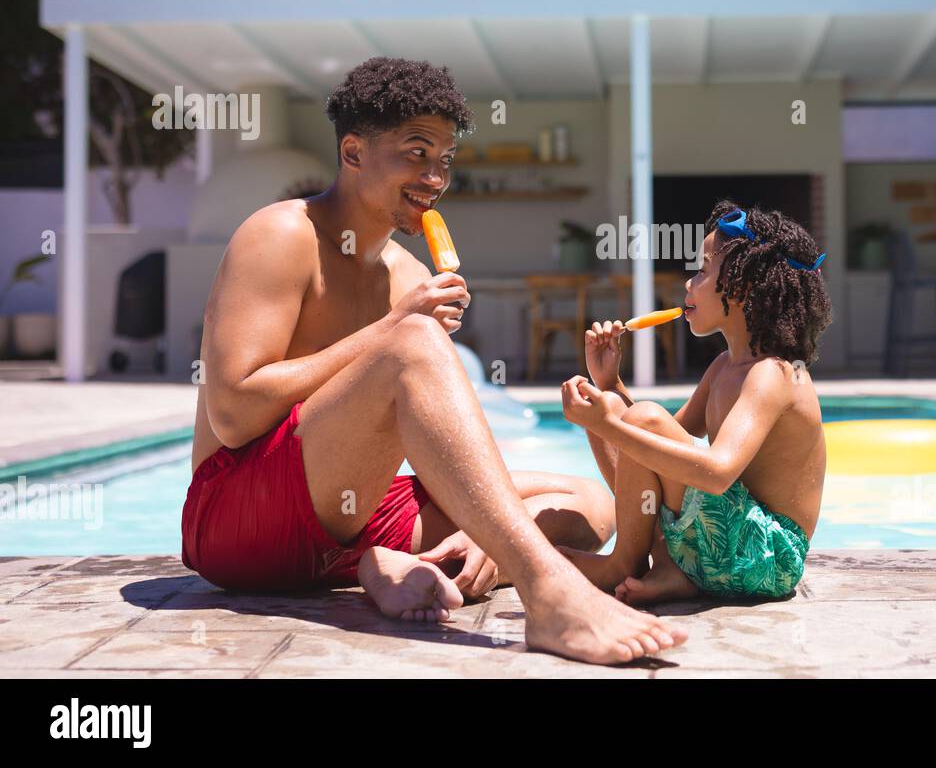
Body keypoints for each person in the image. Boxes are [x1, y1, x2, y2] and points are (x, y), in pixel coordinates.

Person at [182, 56, 686, 664]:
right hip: (240, 520)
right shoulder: (282, 235)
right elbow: (234, 412)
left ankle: (401, 566)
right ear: (352, 153)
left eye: (444, 159)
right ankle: (549, 594)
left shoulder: (409, 274)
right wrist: (398, 329)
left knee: (589, 504)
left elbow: (431, 438)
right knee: (414, 342)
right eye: (415, 153)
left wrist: (490, 535)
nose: (434, 177)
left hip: (351, 518)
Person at [560, 200, 831, 604]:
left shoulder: (771, 374)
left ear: (740, 289)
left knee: (639, 419)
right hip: (729, 542)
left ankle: (624, 563)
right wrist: (610, 384)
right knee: (623, 412)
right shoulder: (724, 366)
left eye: (702, 271)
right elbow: (654, 453)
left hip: (768, 557)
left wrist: (610, 424)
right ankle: (673, 569)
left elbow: (717, 473)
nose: (689, 283)